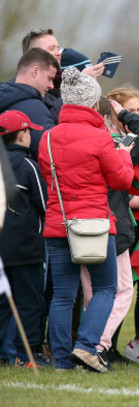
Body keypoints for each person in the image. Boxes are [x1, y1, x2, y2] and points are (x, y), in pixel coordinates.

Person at [37, 67, 134, 373]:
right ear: (93, 103)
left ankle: (63, 361)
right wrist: (124, 155)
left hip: (58, 224)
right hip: (93, 225)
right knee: (107, 287)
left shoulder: (47, 138)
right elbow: (122, 180)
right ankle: (87, 346)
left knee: (63, 295)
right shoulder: (101, 137)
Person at [79, 93, 139, 367]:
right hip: (109, 225)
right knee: (122, 290)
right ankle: (93, 346)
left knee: (88, 294)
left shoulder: (62, 140)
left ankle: (76, 345)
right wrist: (124, 115)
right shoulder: (114, 145)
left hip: (75, 224)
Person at [0, 111, 49, 367]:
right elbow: (44, 204)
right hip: (27, 247)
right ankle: (27, 354)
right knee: (30, 302)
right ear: (22, 134)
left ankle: (3, 354)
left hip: (2, 249)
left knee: (3, 303)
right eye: (30, 131)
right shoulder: (28, 164)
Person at [21, 28, 104, 121]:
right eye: (51, 49)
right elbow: (51, 122)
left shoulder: (58, 85)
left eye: (58, 48)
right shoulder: (26, 91)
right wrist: (79, 84)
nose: (59, 53)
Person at [0, 48, 59, 158]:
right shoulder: (34, 108)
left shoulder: (5, 98)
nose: (52, 86)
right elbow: (51, 154)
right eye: (49, 78)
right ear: (35, 71)